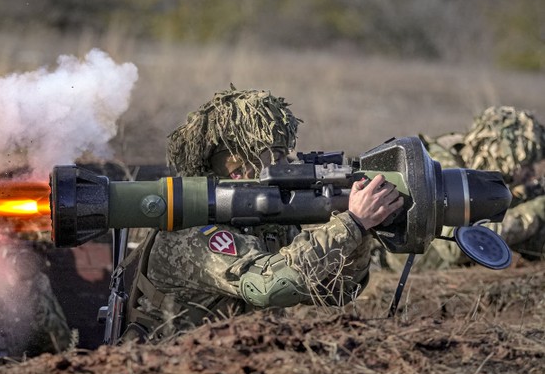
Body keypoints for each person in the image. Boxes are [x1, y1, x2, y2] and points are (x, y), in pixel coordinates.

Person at [116, 87, 404, 343]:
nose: (284, 164)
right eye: (271, 156)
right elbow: (270, 286)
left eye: (282, 155)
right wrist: (350, 224)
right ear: (236, 167)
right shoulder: (192, 231)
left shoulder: (264, 223)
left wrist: (360, 230)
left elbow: (335, 291)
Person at [381, 105, 545, 271]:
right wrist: (533, 213)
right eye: (527, 166)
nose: (531, 175)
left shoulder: (473, 164)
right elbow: (457, 245)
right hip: (398, 269)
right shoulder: (437, 169)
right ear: (505, 156)